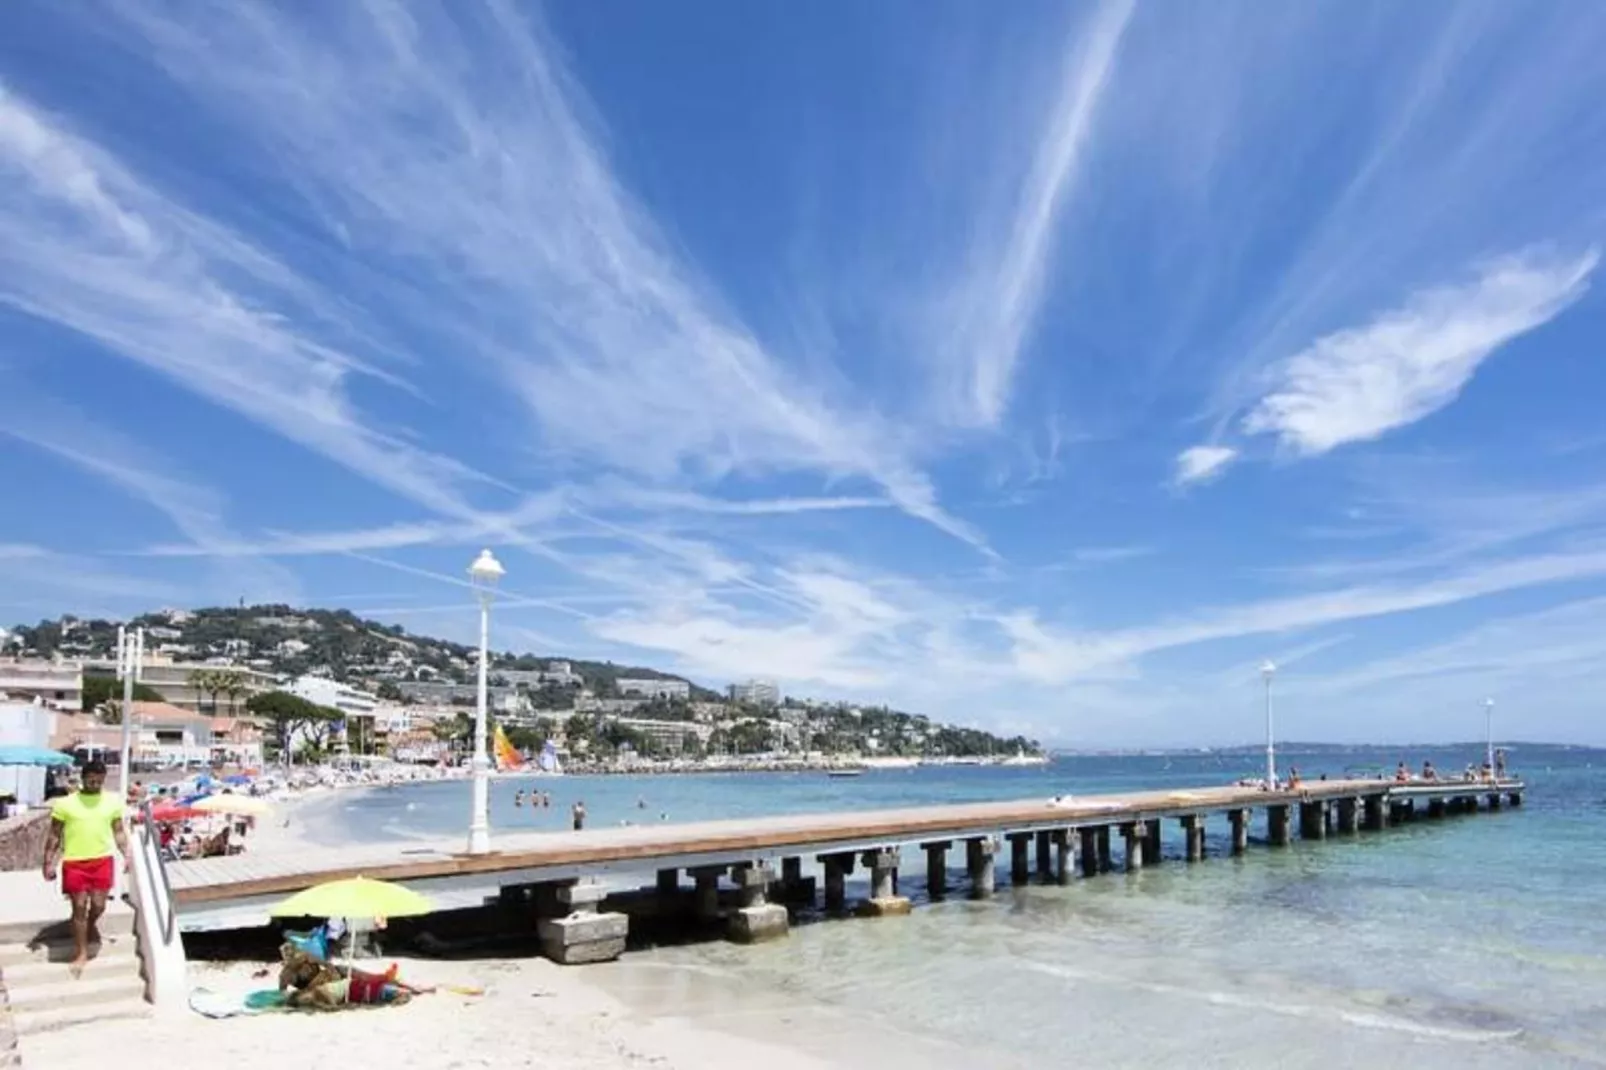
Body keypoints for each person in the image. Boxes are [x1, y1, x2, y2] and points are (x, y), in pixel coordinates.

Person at [41, 760, 132, 975]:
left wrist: (127, 854)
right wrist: (48, 861)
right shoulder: (65, 804)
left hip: (102, 861)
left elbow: (119, 831)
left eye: (99, 781)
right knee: (79, 907)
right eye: (91, 780)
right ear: (83, 778)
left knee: (99, 905)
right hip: (74, 862)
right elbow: (54, 834)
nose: (95, 784)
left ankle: (90, 924)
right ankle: (81, 952)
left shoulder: (112, 802)